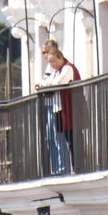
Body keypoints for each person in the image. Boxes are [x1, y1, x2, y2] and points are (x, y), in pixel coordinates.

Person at [36, 46, 80, 175]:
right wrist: (45, 83)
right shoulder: (58, 70)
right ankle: (73, 167)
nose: (52, 65)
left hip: (70, 108)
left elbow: (57, 83)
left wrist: (46, 83)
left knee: (72, 139)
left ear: (60, 57)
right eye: (50, 63)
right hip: (61, 107)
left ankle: (76, 168)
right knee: (67, 139)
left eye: (53, 62)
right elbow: (45, 82)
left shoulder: (67, 68)